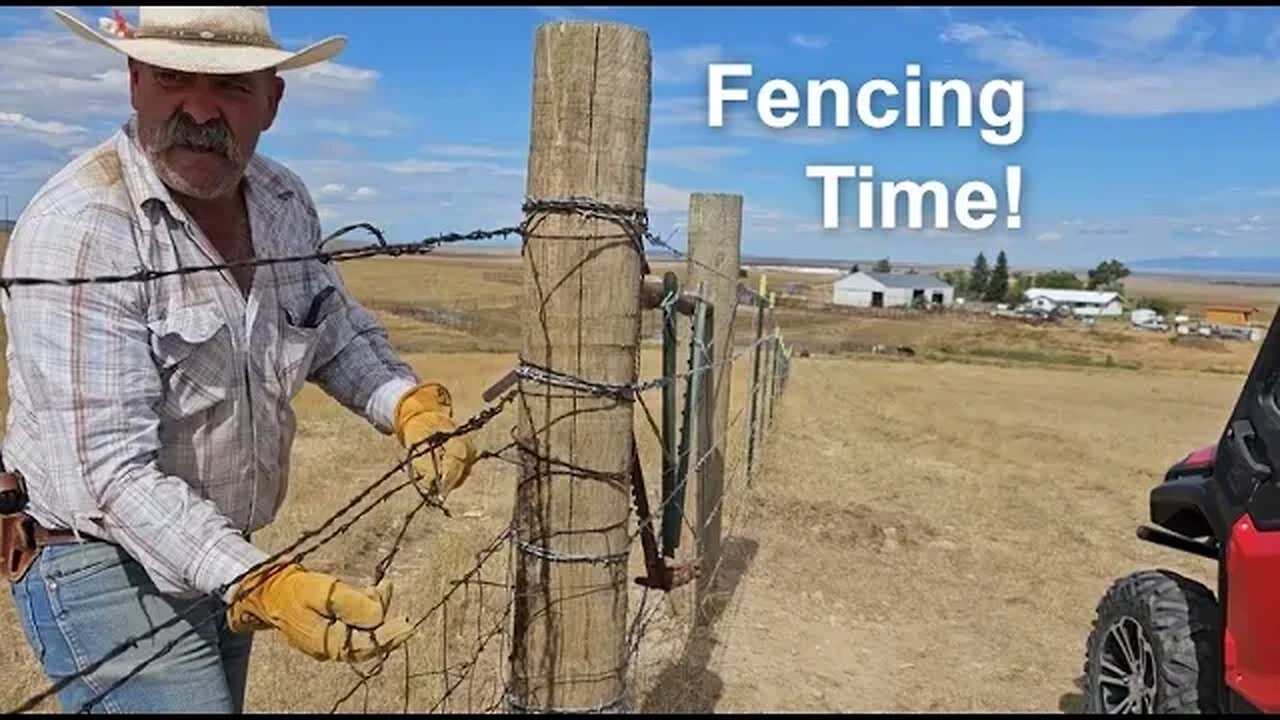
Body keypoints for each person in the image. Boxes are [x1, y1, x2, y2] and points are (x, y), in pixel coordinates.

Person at [0, 7, 477, 714]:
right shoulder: (82, 228)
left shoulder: (282, 200)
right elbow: (109, 472)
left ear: (272, 101)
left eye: (230, 86)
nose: (198, 108)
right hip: (96, 557)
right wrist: (262, 582)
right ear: (135, 81)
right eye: (172, 78)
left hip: (218, 544)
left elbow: (332, 330)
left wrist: (404, 404)